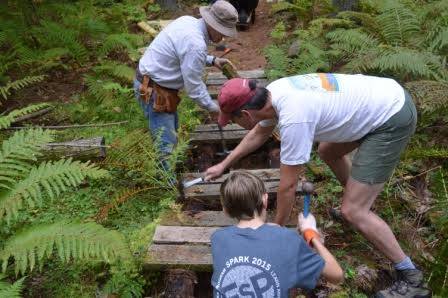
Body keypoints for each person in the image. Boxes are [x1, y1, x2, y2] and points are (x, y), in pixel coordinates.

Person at [205, 74, 431, 297]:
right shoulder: (273, 94)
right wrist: (224, 164)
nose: (236, 124)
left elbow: (288, 186)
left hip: (391, 117)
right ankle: (359, 200)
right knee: (327, 151)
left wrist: (276, 230)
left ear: (245, 113)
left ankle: (410, 276)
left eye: (233, 120)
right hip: (381, 96)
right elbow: (260, 132)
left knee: (353, 210)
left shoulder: (294, 118)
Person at [134, 0, 238, 171]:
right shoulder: (195, 43)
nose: (223, 37)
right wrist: (215, 108)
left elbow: (184, 54)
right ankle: (167, 188)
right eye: (222, 32)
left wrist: (212, 60)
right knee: (165, 145)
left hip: (154, 83)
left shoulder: (188, 22)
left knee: (169, 133)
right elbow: (194, 88)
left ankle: (171, 172)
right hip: (155, 91)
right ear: (212, 25)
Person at [211, 171, 343, 297]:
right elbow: (336, 275)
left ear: (226, 210)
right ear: (265, 200)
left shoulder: (218, 238)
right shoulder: (288, 240)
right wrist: (310, 232)